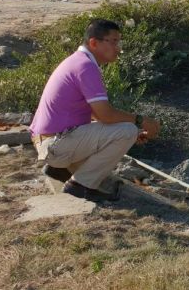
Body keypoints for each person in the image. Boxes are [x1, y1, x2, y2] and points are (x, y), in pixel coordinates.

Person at [29, 19, 160, 202]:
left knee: (125, 134)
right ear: (93, 43)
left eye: (119, 42)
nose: (118, 48)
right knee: (127, 130)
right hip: (55, 145)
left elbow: (95, 114)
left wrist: (121, 130)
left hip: (50, 141)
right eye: (113, 41)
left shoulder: (78, 62)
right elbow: (105, 115)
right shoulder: (86, 67)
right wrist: (141, 121)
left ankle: (61, 170)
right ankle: (79, 186)